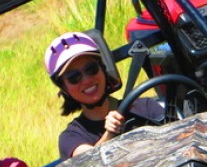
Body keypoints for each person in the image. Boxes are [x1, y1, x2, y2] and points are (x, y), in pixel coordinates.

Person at [45, 31, 165, 160]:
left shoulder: (145, 107)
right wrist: (110, 134)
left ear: (102, 68)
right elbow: (88, 164)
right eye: (74, 77)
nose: (86, 80)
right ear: (64, 89)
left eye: (91, 69)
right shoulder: (71, 138)